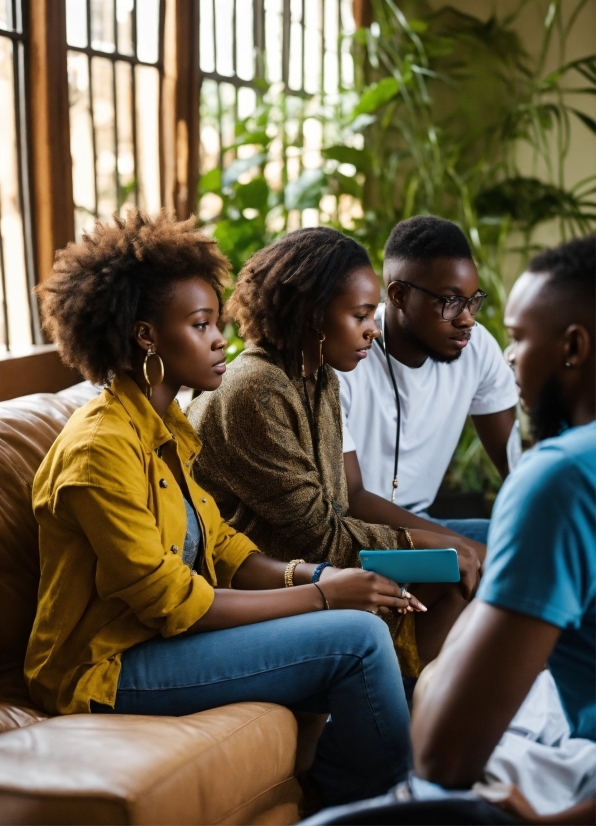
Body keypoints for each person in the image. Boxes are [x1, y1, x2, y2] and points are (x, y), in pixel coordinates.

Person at [24, 211, 423, 808]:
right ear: (146, 336)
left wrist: (320, 575)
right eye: (201, 325)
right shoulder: (98, 448)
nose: (221, 340)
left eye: (215, 322)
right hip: (108, 667)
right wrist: (322, 597)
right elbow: (169, 598)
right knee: (358, 639)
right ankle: (371, 809)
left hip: (159, 642)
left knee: (370, 621)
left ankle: (362, 795)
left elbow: (226, 548)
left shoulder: (167, 426)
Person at [188, 227, 483, 672]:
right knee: (455, 562)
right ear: (313, 316)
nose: (375, 330)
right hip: (250, 587)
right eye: (362, 315)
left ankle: (418, 706)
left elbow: (340, 507)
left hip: (306, 567)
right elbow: (320, 536)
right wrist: (432, 544)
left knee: (457, 573)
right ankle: (409, 717)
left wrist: (440, 549)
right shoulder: (255, 390)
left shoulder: (320, 379)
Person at [411, 235, 596, 824]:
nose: (509, 357)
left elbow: (444, 754)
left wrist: (437, 670)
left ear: (573, 346)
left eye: (518, 337)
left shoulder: (564, 477)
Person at [339, 216, 519, 545]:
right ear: (398, 295)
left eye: (472, 301)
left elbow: (515, 468)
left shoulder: (476, 346)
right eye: (450, 302)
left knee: (540, 545)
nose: (467, 319)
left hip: (423, 521)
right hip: (358, 533)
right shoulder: (347, 357)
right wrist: (468, 550)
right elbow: (351, 499)